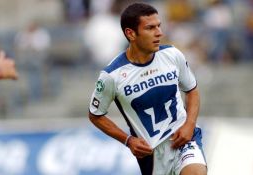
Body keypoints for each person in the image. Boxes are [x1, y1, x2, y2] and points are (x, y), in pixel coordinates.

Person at [88, 3, 207, 175]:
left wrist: (189, 124)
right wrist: (128, 140)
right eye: (150, 28)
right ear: (131, 33)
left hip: (184, 142)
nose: (159, 33)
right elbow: (95, 115)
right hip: (152, 156)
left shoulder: (172, 55)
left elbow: (192, 90)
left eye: (159, 26)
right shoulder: (112, 75)